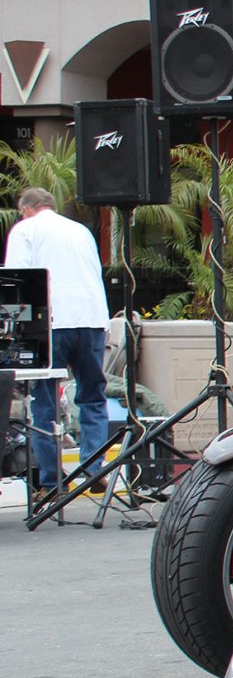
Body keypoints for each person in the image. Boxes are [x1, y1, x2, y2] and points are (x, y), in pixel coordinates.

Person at [3, 187, 110, 492]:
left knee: (44, 401)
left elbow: (17, 282)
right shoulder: (81, 231)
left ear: (26, 209)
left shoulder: (25, 231)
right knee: (92, 395)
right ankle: (94, 467)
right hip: (90, 318)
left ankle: (51, 481)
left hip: (51, 321)